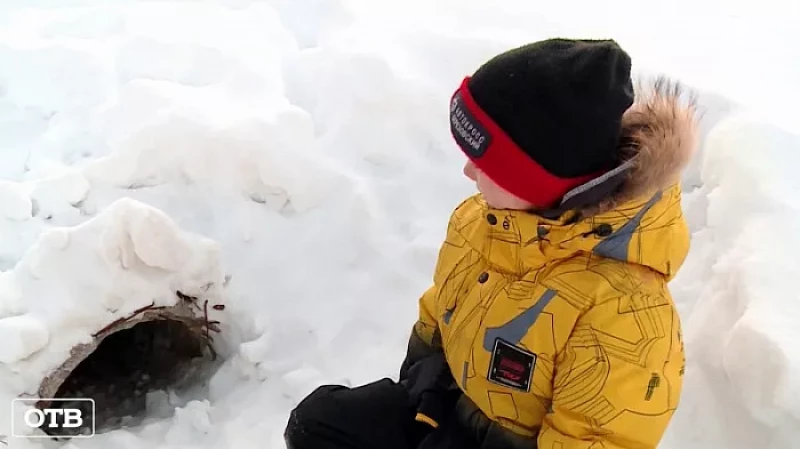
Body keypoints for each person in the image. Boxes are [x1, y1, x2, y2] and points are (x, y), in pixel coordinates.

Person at [284, 37, 698, 449]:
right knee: (317, 424)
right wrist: (417, 388)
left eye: (487, 164)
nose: (467, 171)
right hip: (443, 407)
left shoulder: (622, 315)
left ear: (537, 182)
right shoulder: (483, 221)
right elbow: (441, 309)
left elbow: (596, 439)